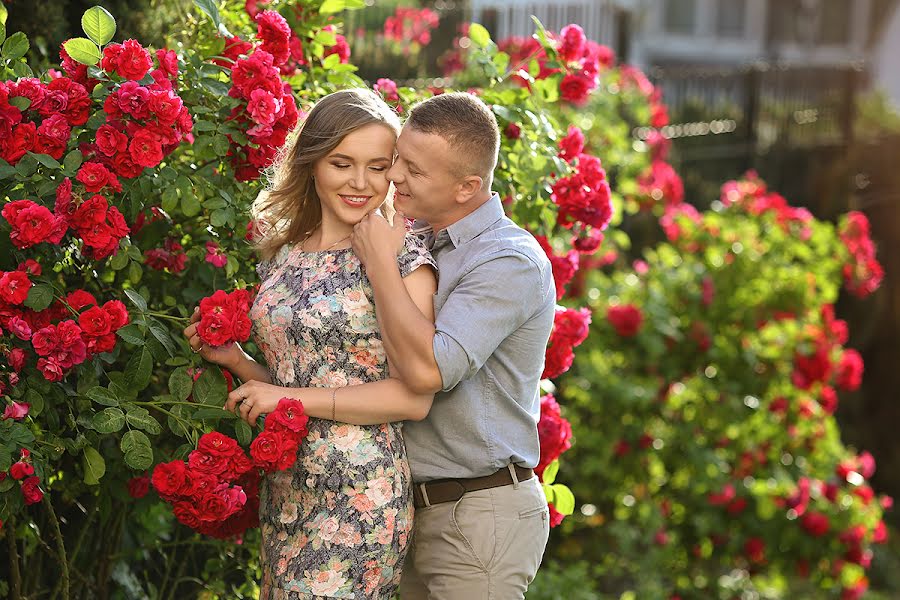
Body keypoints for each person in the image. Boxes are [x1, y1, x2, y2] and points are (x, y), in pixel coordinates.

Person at [183, 88, 437, 599]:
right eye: (342, 163)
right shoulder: (282, 254)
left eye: (377, 166)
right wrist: (235, 360)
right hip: (288, 487)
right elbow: (290, 386)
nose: (360, 183)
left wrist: (289, 398)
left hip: (360, 490)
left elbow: (413, 397)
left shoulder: (403, 254)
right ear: (312, 163)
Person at [350, 92, 556, 599]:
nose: (395, 177)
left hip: (478, 516)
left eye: (415, 171)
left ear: (467, 186)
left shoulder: (506, 262)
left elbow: (428, 373)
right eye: (399, 158)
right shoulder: (418, 240)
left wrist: (380, 263)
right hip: (410, 511)